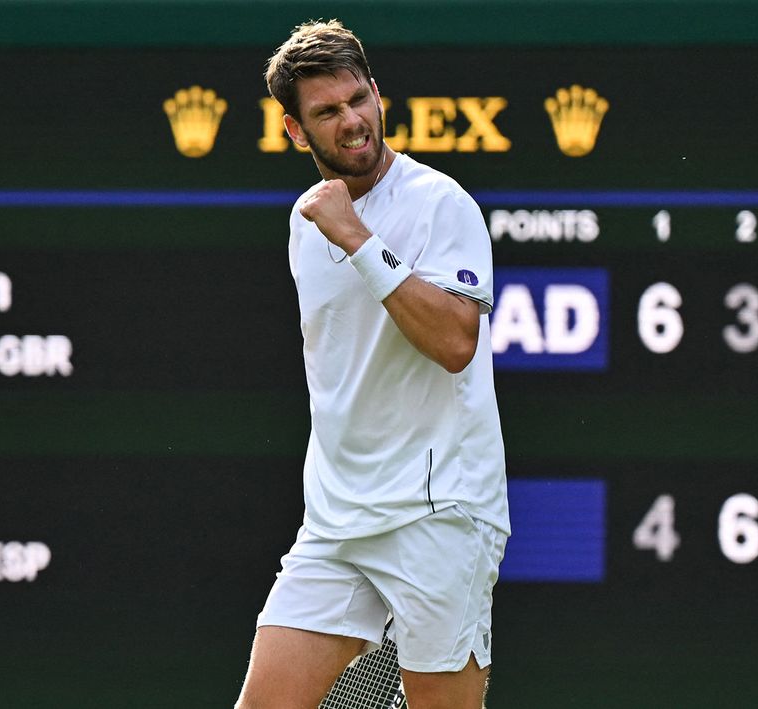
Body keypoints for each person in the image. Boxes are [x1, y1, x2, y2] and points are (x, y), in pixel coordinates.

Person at [235, 19, 509, 709]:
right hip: (336, 522)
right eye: (326, 112)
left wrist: (359, 237)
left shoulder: (441, 202)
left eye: (358, 99)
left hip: (439, 514)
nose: (352, 121)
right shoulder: (305, 223)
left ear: (378, 93)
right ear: (297, 132)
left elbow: (455, 342)